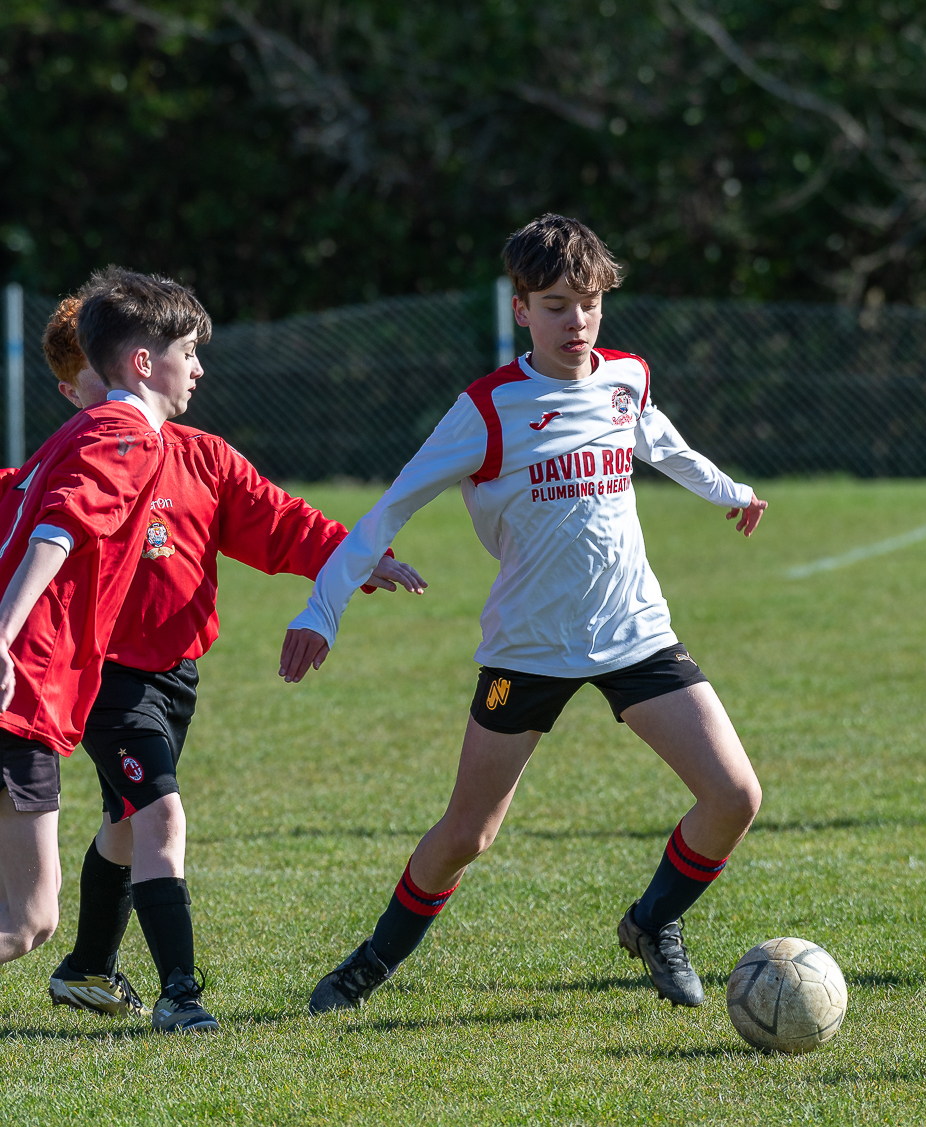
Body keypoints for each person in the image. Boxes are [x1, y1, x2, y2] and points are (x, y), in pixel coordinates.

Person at [279, 214, 768, 1014]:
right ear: (521, 310)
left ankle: (653, 922)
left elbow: (659, 440)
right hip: (528, 650)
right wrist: (322, 609)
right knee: (468, 833)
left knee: (736, 796)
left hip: (635, 633)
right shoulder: (487, 409)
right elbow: (388, 510)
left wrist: (730, 491)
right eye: (555, 306)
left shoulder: (626, 378)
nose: (576, 322)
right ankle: (369, 964)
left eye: (589, 303)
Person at [39, 292, 426, 1033]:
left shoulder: (201, 457)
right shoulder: (72, 468)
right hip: (103, 675)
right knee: (159, 815)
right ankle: (180, 995)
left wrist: (357, 559)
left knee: (126, 824)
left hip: (176, 675)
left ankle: (86, 968)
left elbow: (280, 522)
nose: (110, 404)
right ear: (81, 387)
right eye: (94, 386)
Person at [0, 267, 205, 992]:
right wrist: (4, 635)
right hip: (22, 685)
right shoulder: (129, 435)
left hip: (27, 684)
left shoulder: (79, 429)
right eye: (188, 352)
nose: (198, 369)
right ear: (144, 362)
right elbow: (58, 531)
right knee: (26, 921)